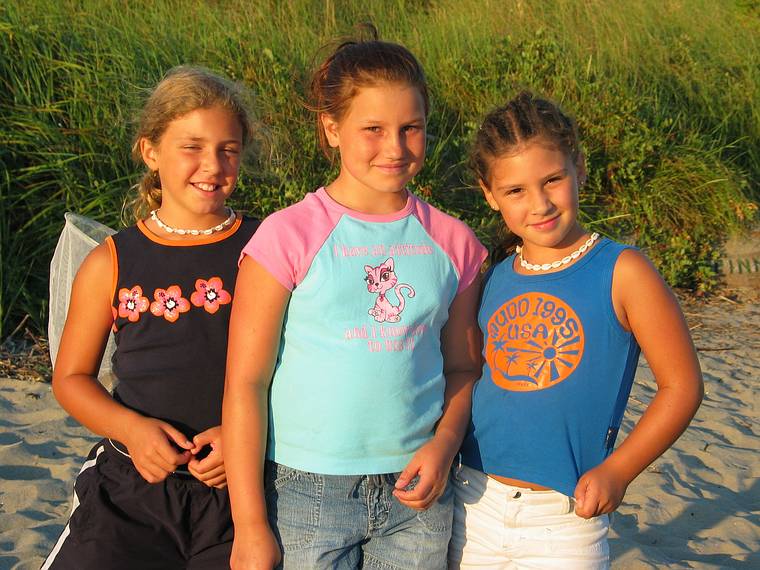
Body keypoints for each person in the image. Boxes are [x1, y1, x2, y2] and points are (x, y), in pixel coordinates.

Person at [223, 26, 488, 570]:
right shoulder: (286, 235)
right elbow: (246, 382)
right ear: (332, 128)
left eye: (410, 128)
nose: (395, 148)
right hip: (302, 490)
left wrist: (443, 447)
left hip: (418, 489)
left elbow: (463, 368)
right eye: (373, 128)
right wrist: (249, 525)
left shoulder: (455, 243)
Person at [448, 91, 704, 569]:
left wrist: (619, 470)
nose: (540, 203)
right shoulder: (494, 273)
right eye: (516, 191)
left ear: (579, 168)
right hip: (472, 502)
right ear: (489, 193)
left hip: (564, 519)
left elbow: (683, 385)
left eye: (552, 179)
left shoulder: (623, 270)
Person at [43, 66, 260, 569]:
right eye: (192, 146)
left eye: (228, 149)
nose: (212, 164)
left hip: (242, 487)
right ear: (151, 151)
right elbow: (71, 379)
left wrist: (244, 433)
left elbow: (303, 362)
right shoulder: (112, 261)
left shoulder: (267, 248)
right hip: (131, 488)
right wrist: (133, 431)